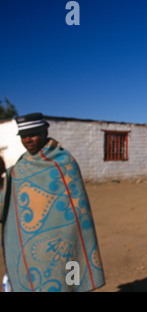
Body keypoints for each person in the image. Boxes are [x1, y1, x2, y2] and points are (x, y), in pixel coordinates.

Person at [0, 113, 105, 292]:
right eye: (24, 136)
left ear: (44, 131)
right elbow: (7, 203)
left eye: (33, 134)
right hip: (30, 247)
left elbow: (77, 211)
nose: (28, 140)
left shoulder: (64, 163)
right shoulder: (19, 168)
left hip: (62, 244)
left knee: (63, 285)